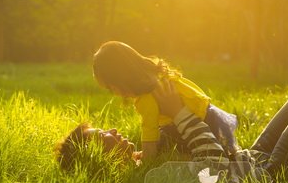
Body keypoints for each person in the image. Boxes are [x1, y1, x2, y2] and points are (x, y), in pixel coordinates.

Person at [56, 83, 288, 183]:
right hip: (261, 180)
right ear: (99, 158)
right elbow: (214, 166)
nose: (112, 132)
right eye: (104, 137)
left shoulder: (145, 155)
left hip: (249, 160)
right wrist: (180, 114)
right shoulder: (146, 179)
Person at [92, 41, 238, 159]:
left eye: (112, 88)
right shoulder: (156, 74)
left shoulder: (146, 97)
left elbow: (149, 133)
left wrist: (147, 159)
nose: (115, 94)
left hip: (195, 127)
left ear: (121, 79)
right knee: (166, 136)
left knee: (167, 143)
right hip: (209, 115)